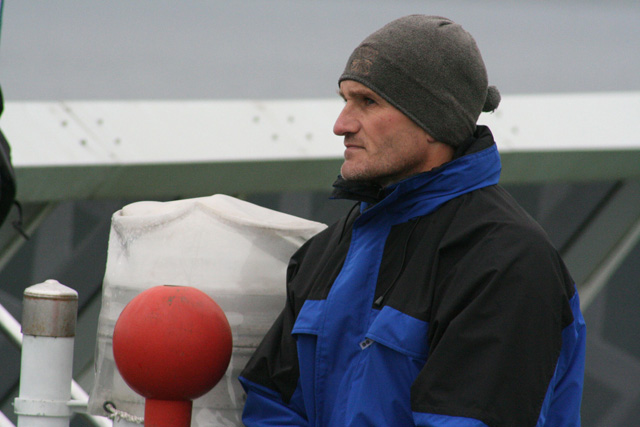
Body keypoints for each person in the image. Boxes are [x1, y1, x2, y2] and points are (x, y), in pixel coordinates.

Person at [239, 15, 586, 426]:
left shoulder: (507, 262)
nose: (341, 125)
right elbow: (271, 404)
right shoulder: (324, 253)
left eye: (368, 102)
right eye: (344, 99)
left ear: (434, 122)